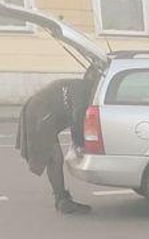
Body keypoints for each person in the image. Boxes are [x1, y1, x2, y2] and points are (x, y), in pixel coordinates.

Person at [16, 74, 95, 214]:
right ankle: (62, 201)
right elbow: (77, 117)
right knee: (54, 158)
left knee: (54, 159)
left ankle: (61, 199)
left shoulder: (80, 85)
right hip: (40, 113)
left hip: (40, 110)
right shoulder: (84, 91)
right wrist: (80, 145)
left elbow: (75, 117)